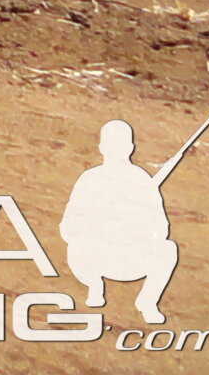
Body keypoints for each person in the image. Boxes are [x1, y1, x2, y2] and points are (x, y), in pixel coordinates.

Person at [61, 120, 182, 325]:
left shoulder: (141, 181)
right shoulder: (91, 179)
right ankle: (94, 285)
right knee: (77, 246)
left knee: (167, 249)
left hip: (129, 258)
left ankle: (147, 302)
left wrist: (132, 227)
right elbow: (69, 227)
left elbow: (160, 229)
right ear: (130, 148)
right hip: (95, 258)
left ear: (102, 148)